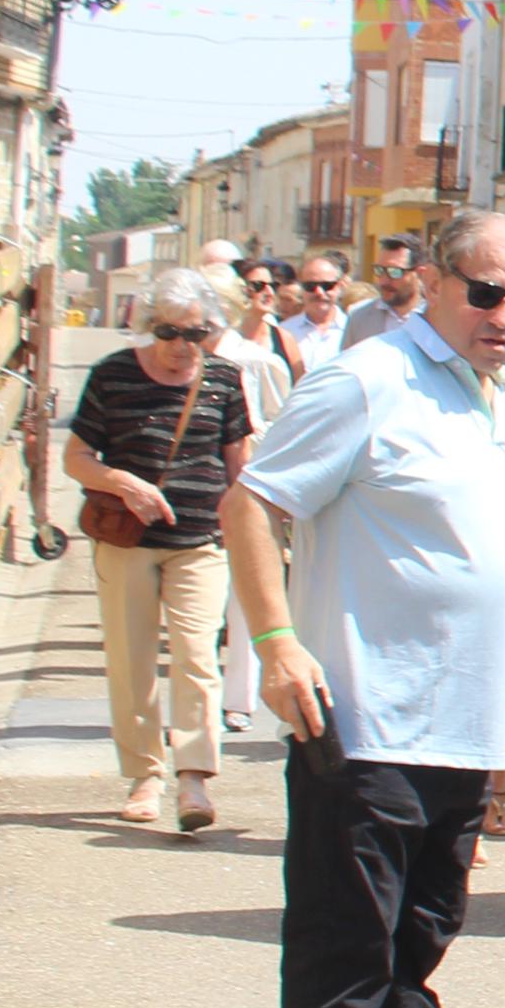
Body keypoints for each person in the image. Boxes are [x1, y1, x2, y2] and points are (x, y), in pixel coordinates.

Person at [223, 209, 505, 1008]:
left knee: (424, 922)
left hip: (465, 718)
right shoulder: (367, 380)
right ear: (431, 282)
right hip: (367, 707)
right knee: (348, 931)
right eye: (486, 293)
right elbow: (252, 502)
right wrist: (273, 640)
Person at [64, 268, 256, 833]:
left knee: (198, 656)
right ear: (151, 328)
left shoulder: (224, 379)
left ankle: (193, 775)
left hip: (201, 541)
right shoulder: (113, 375)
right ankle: (145, 772)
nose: (181, 347)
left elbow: (239, 465)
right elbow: (75, 458)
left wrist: (250, 533)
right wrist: (124, 483)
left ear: (210, 333)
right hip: (129, 541)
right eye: (170, 333)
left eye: (194, 334)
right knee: (132, 659)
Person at [202, 266, 293, 735]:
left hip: (248, 481)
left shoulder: (258, 361)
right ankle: (197, 697)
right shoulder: (180, 355)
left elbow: (283, 419)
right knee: (207, 601)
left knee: (243, 594)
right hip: (198, 487)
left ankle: (238, 697)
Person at [279, 249, 357, 371]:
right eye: (310, 286)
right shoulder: (284, 332)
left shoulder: (355, 329)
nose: (319, 292)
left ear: (340, 287)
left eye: (327, 286)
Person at [340, 235, 422, 345]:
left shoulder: (439, 319)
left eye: (394, 272)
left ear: (419, 273)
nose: (384, 281)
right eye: (379, 270)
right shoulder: (358, 318)